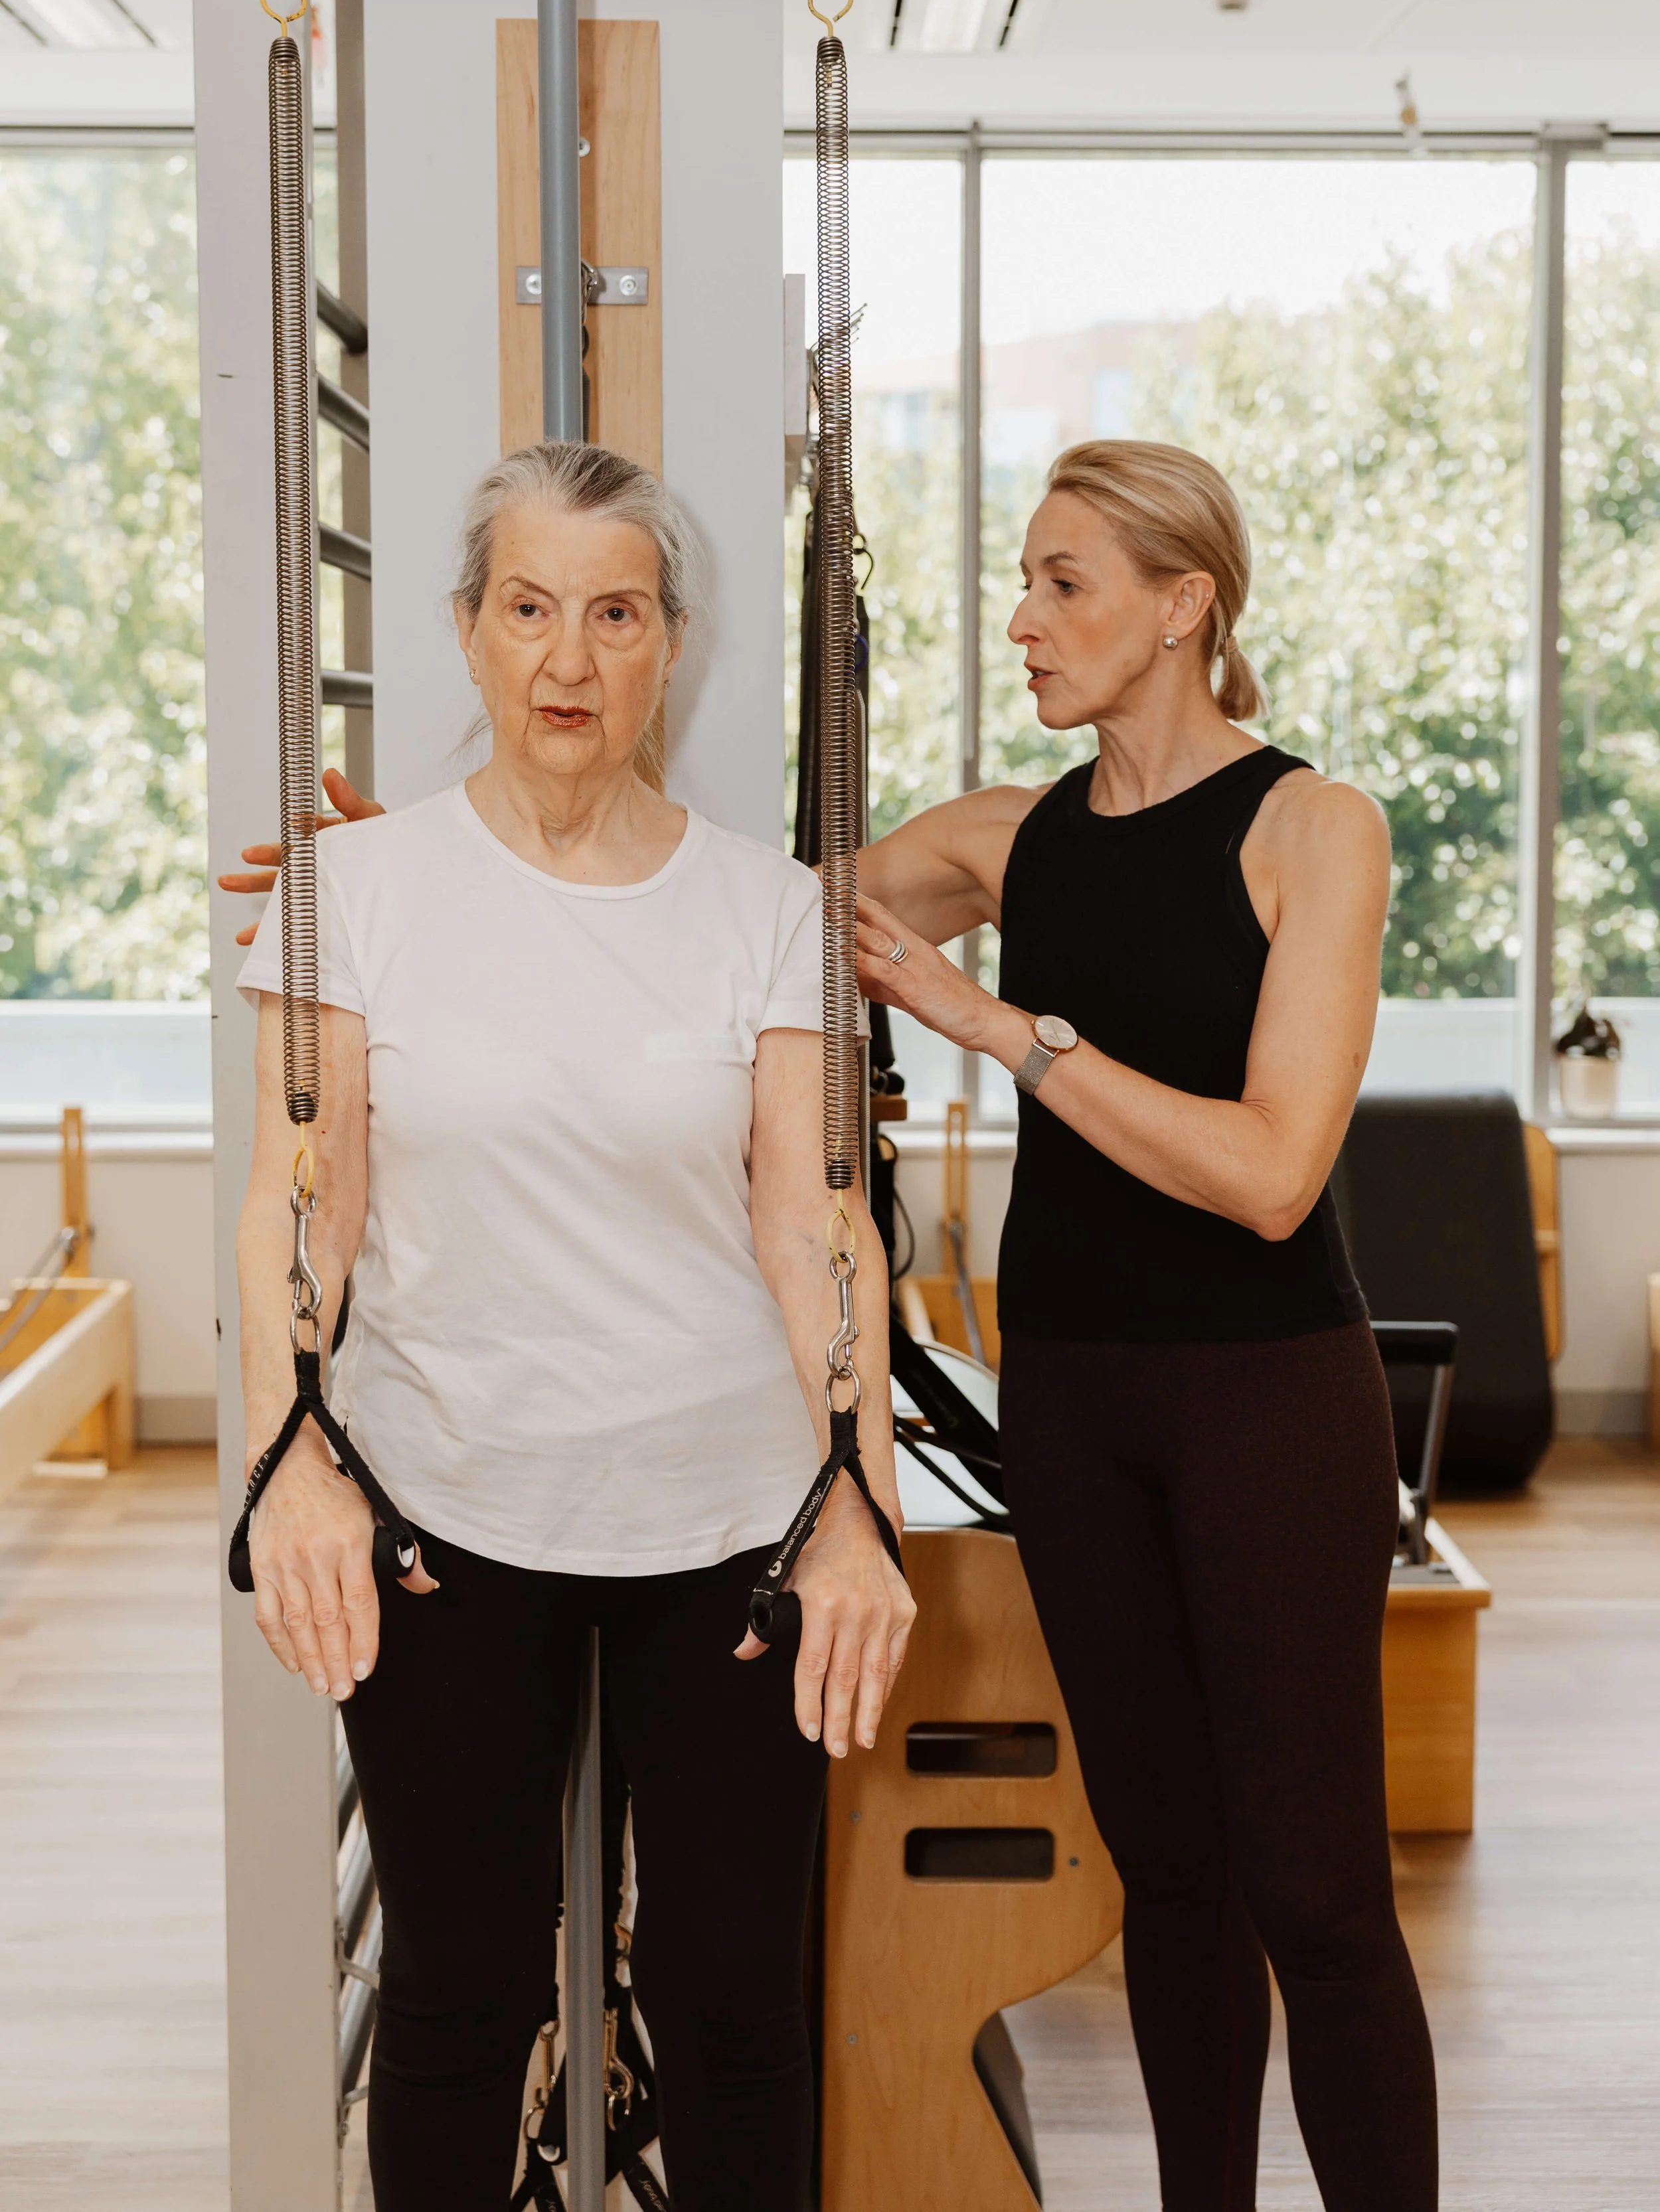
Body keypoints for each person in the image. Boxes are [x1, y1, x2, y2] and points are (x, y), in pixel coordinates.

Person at [230, 439, 913, 2212]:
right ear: (465, 631)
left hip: (728, 1518)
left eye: (614, 613)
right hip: (451, 1505)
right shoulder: (353, 896)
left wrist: (857, 1489)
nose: (568, 657)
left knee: (731, 1994)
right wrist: (288, 1458)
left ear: (667, 644)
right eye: (528, 607)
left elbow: (813, 1214)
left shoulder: (768, 909)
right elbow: (308, 1185)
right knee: (457, 1988)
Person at [854, 439, 1438, 2212]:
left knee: (1314, 1888)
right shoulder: (1004, 839)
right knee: (1166, 1878)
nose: (1020, 621)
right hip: (1080, 1403)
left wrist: (1001, 1025)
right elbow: (726, 919)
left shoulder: (1309, 827)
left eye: (1062, 582)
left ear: (1182, 606)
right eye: (1019, 581)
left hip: (1268, 1401)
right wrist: (427, 874)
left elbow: (1269, 1172)